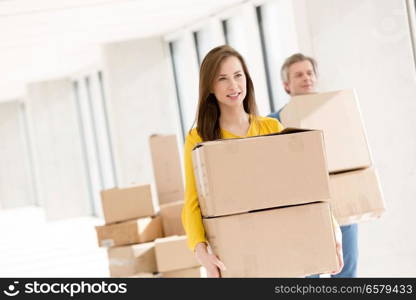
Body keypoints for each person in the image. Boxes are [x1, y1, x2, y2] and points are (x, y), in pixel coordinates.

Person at [181, 45, 343, 277]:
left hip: (281, 245)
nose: (233, 85)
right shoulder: (198, 138)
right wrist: (201, 252)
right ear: (210, 87)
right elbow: (192, 202)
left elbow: (305, 189)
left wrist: (333, 234)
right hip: (235, 253)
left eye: (238, 76)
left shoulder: (271, 128)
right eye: (222, 79)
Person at [268, 53, 358, 278]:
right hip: (300, 205)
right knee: (309, 270)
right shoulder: (273, 122)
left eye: (309, 73)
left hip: (339, 196)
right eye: (298, 74)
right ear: (286, 85)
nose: (306, 78)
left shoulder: (334, 112)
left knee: (347, 267)